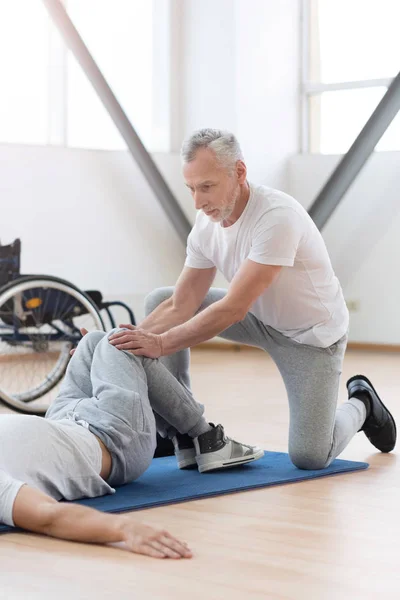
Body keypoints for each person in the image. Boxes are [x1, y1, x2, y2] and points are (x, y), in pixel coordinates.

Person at [107, 128, 397, 470]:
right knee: (161, 298)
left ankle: (362, 402)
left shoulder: (276, 217)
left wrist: (159, 343)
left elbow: (232, 307)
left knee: (311, 456)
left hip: (310, 338)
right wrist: (118, 341)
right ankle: (180, 432)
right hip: (259, 317)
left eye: (207, 187)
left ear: (239, 172)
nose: (198, 202)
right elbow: (180, 305)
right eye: (191, 189)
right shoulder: (205, 226)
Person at [0, 327, 263, 558]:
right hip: (113, 439)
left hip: (64, 417)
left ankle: (184, 439)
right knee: (119, 342)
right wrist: (125, 529)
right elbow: (49, 517)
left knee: (93, 341)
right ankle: (205, 437)